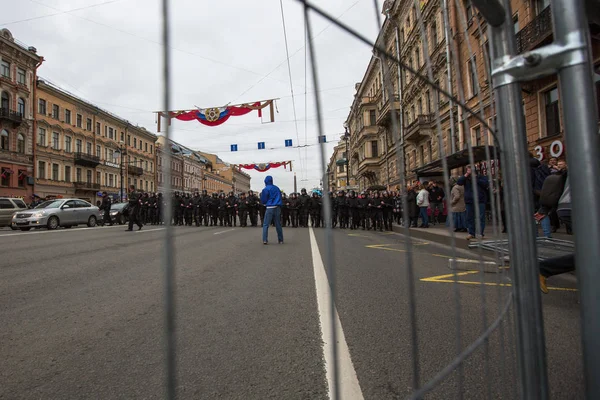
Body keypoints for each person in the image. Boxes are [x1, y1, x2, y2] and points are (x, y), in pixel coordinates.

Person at [461, 166, 489, 240]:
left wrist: (475, 178)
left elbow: (485, 184)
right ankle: (471, 233)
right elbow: (459, 182)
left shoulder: (481, 177)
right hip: (469, 201)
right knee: (470, 218)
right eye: (468, 170)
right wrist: (466, 175)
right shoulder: (466, 178)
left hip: (480, 200)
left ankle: (480, 233)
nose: (469, 171)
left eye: (470, 170)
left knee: (480, 217)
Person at [260, 175, 284, 245]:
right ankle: (280, 240)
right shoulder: (277, 188)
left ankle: (265, 240)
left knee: (265, 224)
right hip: (277, 207)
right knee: (278, 224)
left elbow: (263, 199)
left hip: (270, 207)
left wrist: (265, 203)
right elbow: (280, 197)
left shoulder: (265, 189)